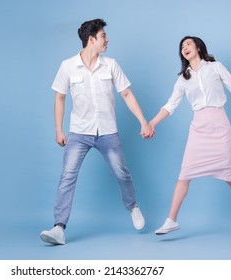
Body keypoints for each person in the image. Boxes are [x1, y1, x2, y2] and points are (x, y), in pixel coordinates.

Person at [40, 19, 154, 245]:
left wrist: (143, 122)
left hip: (107, 131)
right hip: (79, 132)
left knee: (122, 172)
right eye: (103, 36)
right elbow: (60, 97)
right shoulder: (68, 66)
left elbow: (127, 94)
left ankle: (133, 207)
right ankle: (59, 228)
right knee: (67, 177)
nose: (107, 39)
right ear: (91, 40)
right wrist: (58, 129)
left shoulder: (111, 65)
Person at [149, 36, 231, 235]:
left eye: (188, 44)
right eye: (182, 47)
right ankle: (171, 220)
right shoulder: (184, 78)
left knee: (229, 175)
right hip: (198, 129)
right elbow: (170, 105)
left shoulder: (216, 67)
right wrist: (152, 123)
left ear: (198, 47)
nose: (185, 48)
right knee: (184, 174)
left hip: (220, 126)